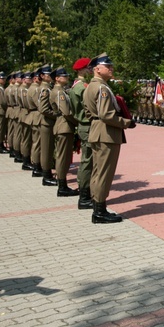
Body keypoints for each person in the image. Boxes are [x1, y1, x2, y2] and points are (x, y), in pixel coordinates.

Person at [83, 53, 136, 223]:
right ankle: (99, 211)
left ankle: (97, 205)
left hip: (97, 131)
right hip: (106, 133)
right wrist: (126, 122)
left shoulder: (90, 87)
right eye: (108, 66)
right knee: (104, 173)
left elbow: (88, 112)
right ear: (97, 69)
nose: (111, 68)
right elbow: (107, 115)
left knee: (98, 171)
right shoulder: (102, 88)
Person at [50, 67, 78, 196]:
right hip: (64, 126)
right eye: (63, 76)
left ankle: (63, 184)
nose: (66, 77)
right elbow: (66, 111)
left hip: (64, 126)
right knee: (62, 157)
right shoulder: (59, 92)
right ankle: (62, 186)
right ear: (57, 78)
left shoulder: (61, 91)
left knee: (65, 157)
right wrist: (77, 121)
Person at [69, 58, 94, 209]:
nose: (90, 70)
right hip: (87, 125)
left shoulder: (78, 86)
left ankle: (84, 191)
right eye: (88, 68)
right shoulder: (82, 88)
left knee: (87, 160)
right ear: (81, 70)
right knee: (88, 161)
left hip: (84, 125)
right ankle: (84, 196)